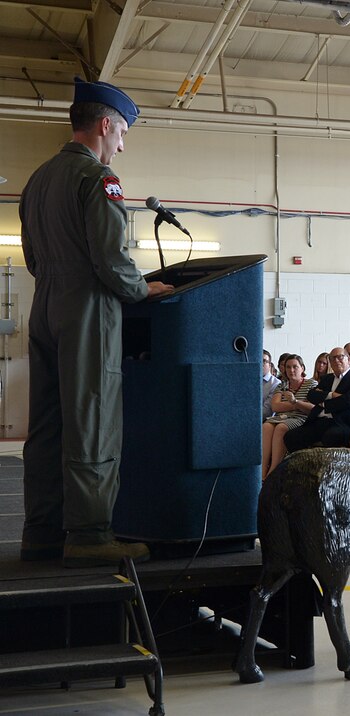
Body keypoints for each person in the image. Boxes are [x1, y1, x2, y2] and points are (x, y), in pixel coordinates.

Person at [19, 78, 173, 567]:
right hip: (87, 312)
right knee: (93, 419)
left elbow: (31, 257)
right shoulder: (98, 179)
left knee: (46, 424)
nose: (122, 144)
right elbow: (111, 258)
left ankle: (41, 531)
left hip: (44, 306)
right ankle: (88, 533)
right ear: (105, 125)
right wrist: (140, 289)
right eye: (123, 132)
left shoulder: (39, 179)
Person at [283, 347, 350, 451]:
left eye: (340, 357)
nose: (336, 360)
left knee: (331, 436)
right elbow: (311, 395)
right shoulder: (327, 378)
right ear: (330, 363)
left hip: (343, 421)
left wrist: (324, 403)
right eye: (333, 358)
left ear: (348, 360)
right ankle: (305, 465)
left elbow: (349, 401)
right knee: (291, 437)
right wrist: (331, 395)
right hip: (320, 420)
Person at [262, 355, 317, 479]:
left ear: (302, 368)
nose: (291, 370)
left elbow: (312, 408)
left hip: (300, 418)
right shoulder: (282, 385)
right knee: (266, 426)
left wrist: (294, 402)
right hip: (281, 416)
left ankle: (274, 469)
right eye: (288, 367)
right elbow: (275, 406)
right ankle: (262, 469)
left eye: (295, 367)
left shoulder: (311, 384)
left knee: (281, 428)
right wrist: (297, 404)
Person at [261, 350, 281, 420]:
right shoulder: (249, 380)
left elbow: (267, 411)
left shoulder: (276, 383)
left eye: (264, 361)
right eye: (258, 360)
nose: (260, 363)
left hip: (264, 420)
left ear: (269, 366)